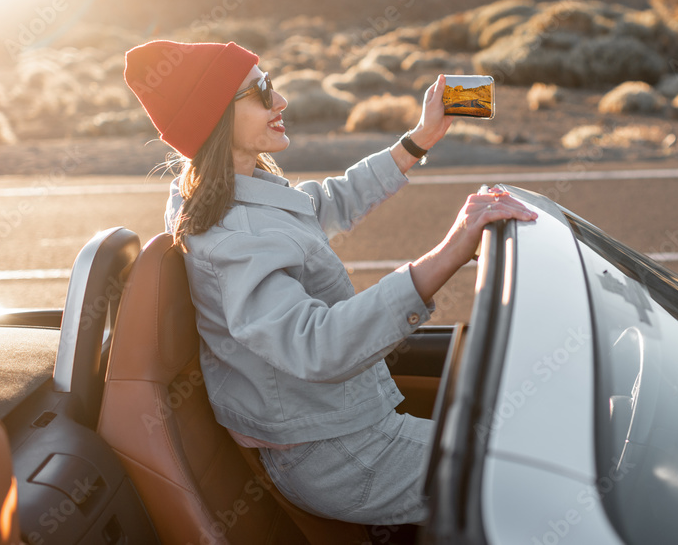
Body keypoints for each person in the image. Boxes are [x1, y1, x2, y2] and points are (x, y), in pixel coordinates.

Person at [123, 40, 537, 526]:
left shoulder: (237, 188)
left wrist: (417, 141)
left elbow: (324, 204)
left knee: (528, 458)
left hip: (343, 428)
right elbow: (318, 346)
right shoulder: (231, 236)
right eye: (261, 91)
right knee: (533, 473)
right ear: (215, 117)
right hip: (339, 455)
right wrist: (449, 254)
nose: (281, 102)